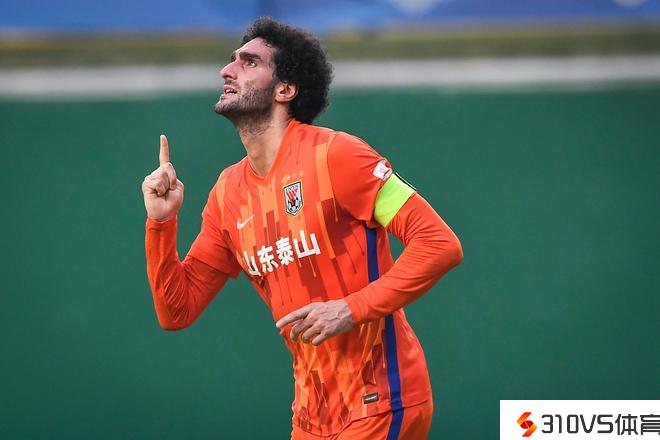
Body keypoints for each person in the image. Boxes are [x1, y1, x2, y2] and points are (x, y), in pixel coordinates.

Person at [142, 17, 462, 440]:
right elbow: (177, 310)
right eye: (231, 60)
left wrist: (350, 309)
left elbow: (439, 244)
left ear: (285, 90)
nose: (227, 70)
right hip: (311, 418)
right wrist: (161, 222)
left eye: (248, 63)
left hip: (381, 399)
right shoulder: (227, 194)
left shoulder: (338, 155)